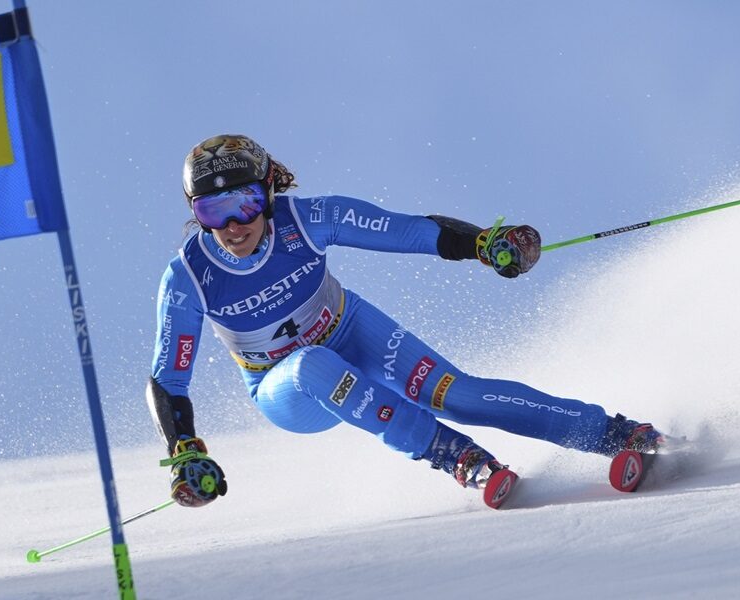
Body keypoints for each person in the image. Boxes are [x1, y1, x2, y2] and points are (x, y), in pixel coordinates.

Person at [147, 134, 663, 509]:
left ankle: (617, 434)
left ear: (267, 192)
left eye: (245, 204)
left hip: (351, 330)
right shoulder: (189, 277)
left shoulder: (308, 219)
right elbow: (169, 379)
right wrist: (183, 448)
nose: (233, 226)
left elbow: (408, 231)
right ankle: (455, 456)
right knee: (311, 364)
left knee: (460, 395)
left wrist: (483, 244)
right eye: (212, 212)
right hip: (286, 389)